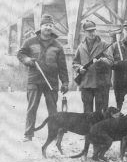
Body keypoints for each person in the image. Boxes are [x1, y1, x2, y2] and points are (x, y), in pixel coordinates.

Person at [17, 14, 69, 142]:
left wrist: (65, 82)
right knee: (32, 107)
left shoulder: (58, 45)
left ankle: (54, 134)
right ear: (40, 27)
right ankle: (28, 134)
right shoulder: (30, 42)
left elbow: (62, 66)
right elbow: (20, 54)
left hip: (51, 82)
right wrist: (28, 60)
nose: (48, 27)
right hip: (34, 80)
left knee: (53, 109)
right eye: (46, 25)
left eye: (50, 25)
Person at [73, 20, 113, 114]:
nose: (92, 33)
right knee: (87, 114)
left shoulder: (104, 44)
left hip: (101, 83)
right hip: (86, 83)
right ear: (84, 32)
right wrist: (79, 68)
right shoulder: (81, 46)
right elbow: (75, 62)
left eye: (93, 30)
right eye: (89, 31)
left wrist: (101, 60)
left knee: (102, 113)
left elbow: (111, 61)